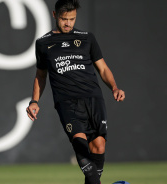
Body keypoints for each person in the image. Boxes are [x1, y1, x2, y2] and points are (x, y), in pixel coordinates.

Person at [26, 0, 125, 184]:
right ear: (55, 15)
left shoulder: (87, 38)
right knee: (79, 143)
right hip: (67, 103)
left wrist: (114, 87)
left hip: (93, 99)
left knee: (99, 146)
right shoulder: (43, 43)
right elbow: (40, 76)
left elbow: (102, 68)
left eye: (72, 19)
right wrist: (34, 101)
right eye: (64, 19)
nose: (68, 23)